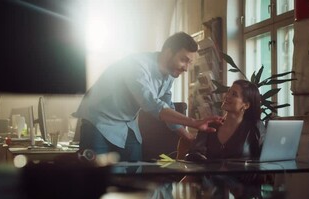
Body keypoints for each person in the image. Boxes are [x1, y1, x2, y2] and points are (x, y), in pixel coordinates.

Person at [74, 32, 222, 162]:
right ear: (168, 52)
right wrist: (194, 122)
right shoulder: (137, 65)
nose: (186, 67)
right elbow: (152, 105)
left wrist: (187, 136)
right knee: (96, 178)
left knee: (136, 176)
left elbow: (167, 106)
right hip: (99, 120)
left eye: (189, 62)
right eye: (183, 59)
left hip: (127, 124)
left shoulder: (170, 74)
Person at [187, 79, 265, 160]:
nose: (227, 96)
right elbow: (194, 154)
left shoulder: (255, 127)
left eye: (234, 94)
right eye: (229, 92)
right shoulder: (210, 126)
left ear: (246, 105)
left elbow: (265, 160)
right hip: (211, 172)